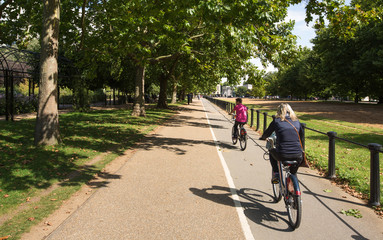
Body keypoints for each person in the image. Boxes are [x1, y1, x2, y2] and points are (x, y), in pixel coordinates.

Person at [259, 103, 303, 183]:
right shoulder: (297, 122)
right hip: (298, 155)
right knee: (293, 172)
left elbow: (267, 133)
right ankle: (293, 185)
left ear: (279, 111)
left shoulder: (276, 121)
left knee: (271, 151)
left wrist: (263, 137)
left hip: (282, 154)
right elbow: (301, 138)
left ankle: (276, 174)